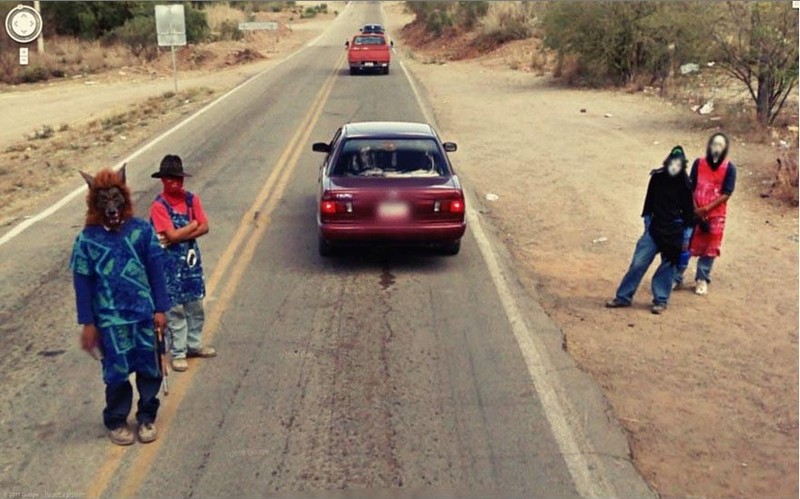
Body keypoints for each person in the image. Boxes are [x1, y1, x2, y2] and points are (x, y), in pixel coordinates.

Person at [71, 166, 170, 446]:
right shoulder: (86, 241)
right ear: (94, 204)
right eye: (104, 200)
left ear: (124, 200)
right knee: (116, 370)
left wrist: (160, 308)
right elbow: (82, 283)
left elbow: (156, 270)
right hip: (110, 321)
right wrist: (88, 323)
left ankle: (147, 416)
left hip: (143, 315)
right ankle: (116, 419)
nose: (111, 207)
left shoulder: (141, 231)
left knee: (150, 367)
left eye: (116, 199)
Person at [606, 146, 695, 314]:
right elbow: (648, 205)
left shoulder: (685, 184)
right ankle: (623, 297)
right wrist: (648, 227)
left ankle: (661, 300)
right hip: (654, 229)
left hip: (674, 232)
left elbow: (689, 214)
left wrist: (685, 238)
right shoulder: (657, 178)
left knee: (668, 267)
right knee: (638, 263)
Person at [150, 155, 216, 372]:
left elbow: (205, 227)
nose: (174, 183)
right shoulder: (159, 206)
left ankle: (193, 345)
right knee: (175, 309)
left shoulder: (191, 199)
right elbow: (172, 234)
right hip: (168, 265)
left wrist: (182, 232)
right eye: (169, 179)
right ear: (163, 181)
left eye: (177, 179)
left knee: (195, 304)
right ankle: (178, 352)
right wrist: (192, 226)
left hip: (190, 263)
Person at [674, 133, 737, 295]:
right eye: (714, 144)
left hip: (715, 215)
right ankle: (676, 277)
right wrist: (695, 208)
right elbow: (691, 186)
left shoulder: (729, 168)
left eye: (720, 145)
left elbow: (727, 193)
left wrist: (707, 209)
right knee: (685, 244)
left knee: (710, 247)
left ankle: (702, 279)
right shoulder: (699, 163)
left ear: (725, 149)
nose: (716, 148)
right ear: (709, 146)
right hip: (694, 212)